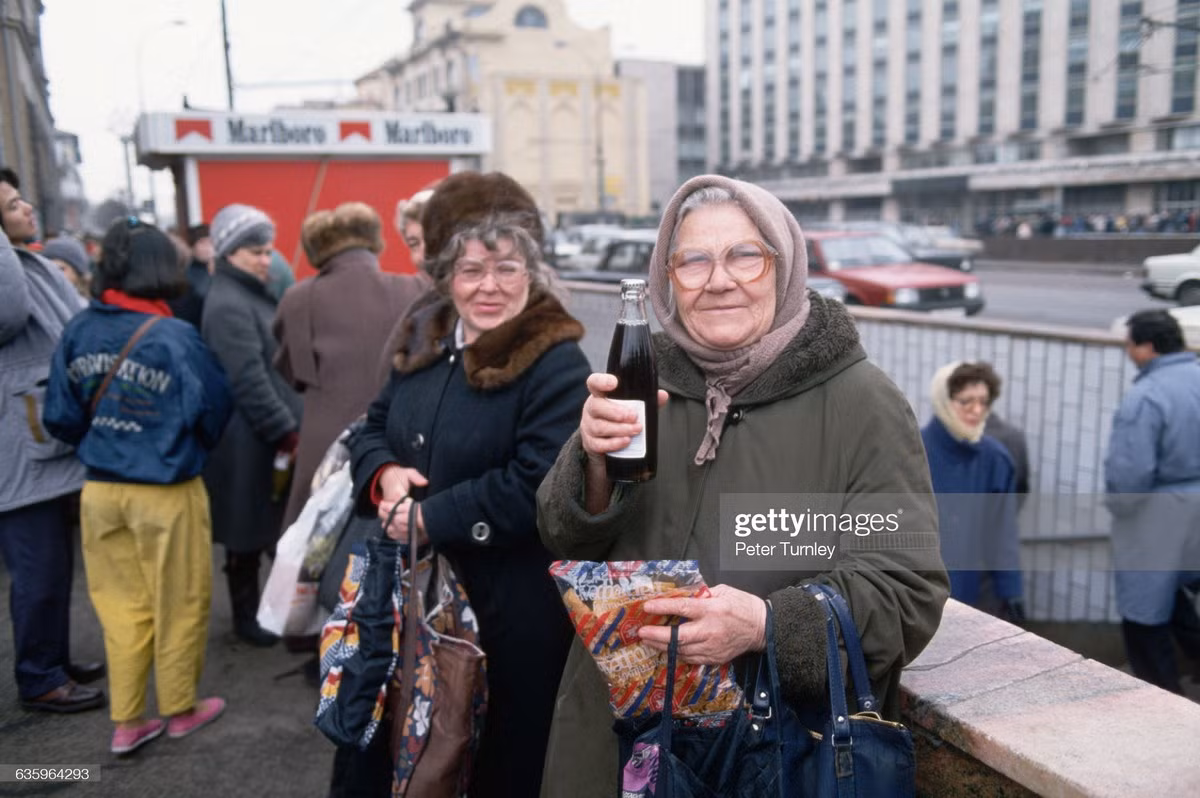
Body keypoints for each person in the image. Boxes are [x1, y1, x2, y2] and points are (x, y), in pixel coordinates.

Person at [536, 175, 948, 796]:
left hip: (766, 752)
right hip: (613, 740)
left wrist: (765, 624)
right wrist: (591, 461)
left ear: (783, 269)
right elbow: (560, 535)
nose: (719, 279)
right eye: (693, 260)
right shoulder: (643, 381)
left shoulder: (862, 402)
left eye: (745, 256)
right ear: (666, 277)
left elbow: (907, 591)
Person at [342, 171, 590, 796]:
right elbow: (372, 427)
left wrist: (433, 516)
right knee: (398, 746)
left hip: (507, 615)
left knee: (492, 765)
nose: (489, 287)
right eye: (471, 269)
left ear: (531, 271)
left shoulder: (555, 357)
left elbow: (540, 480)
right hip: (413, 600)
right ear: (444, 273)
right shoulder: (425, 338)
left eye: (507, 268)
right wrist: (384, 473)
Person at [43, 219, 233, 754]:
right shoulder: (175, 336)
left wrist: (105, 438)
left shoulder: (79, 330)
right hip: (166, 489)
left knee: (119, 605)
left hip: (101, 490)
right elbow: (214, 409)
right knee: (180, 600)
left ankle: (127, 720)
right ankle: (179, 708)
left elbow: (60, 415)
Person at [0, 166, 105, 714]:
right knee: (38, 567)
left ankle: (53, 659)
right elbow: (8, 312)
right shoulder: (7, 270)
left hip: (40, 434)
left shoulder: (24, 258)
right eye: (13, 204)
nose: (28, 209)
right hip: (19, 446)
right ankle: (39, 676)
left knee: (54, 565)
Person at [273, 201, 430, 534]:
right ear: (374, 244)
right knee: (393, 539)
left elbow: (294, 374)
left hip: (325, 440)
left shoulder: (297, 299)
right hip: (395, 441)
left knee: (314, 548)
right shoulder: (414, 289)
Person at [202, 203, 302, 647]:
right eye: (256, 252)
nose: (266, 260)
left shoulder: (243, 293)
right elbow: (248, 380)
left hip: (260, 435)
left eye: (267, 251)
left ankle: (266, 612)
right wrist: (286, 430)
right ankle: (247, 617)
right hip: (249, 439)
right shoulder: (228, 302)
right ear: (229, 252)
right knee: (247, 533)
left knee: (263, 528)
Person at [1105, 309, 1200, 694]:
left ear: (1147, 347)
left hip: (1157, 516)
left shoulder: (1147, 396)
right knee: (1178, 597)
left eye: (1129, 344)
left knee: (1143, 613)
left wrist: (1120, 510)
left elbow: (1129, 477)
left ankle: (1159, 699)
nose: (1127, 351)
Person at [922, 361, 1024, 620]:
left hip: (974, 594)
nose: (976, 410)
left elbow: (1003, 533)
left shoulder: (995, 458)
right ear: (944, 400)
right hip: (918, 592)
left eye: (984, 402)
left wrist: (1011, 590)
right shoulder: (913, 450)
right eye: (966, 401)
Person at [167, 223, 214, 328]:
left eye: (211, 242)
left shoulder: (219, 272)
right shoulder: (186, 276)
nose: (208, 248)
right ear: (192, 246)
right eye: (202, 243)